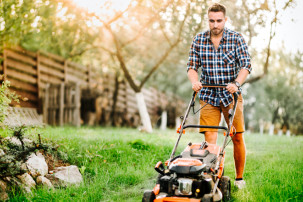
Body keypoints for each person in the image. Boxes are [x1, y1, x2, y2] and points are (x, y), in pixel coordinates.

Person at [187, 3, 251, 189]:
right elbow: (192, 67)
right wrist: (195, 81)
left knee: (237, 136)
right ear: (208, 20)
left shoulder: (236, 38)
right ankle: (210, 178)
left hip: (230, 94)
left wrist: (236, 83)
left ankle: (239, 179)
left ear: (225, 20)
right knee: (210, 139)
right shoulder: (199, 40)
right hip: (207, 93)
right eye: (211, 21)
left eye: (219, 21)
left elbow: (246, 66)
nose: (215, 25)